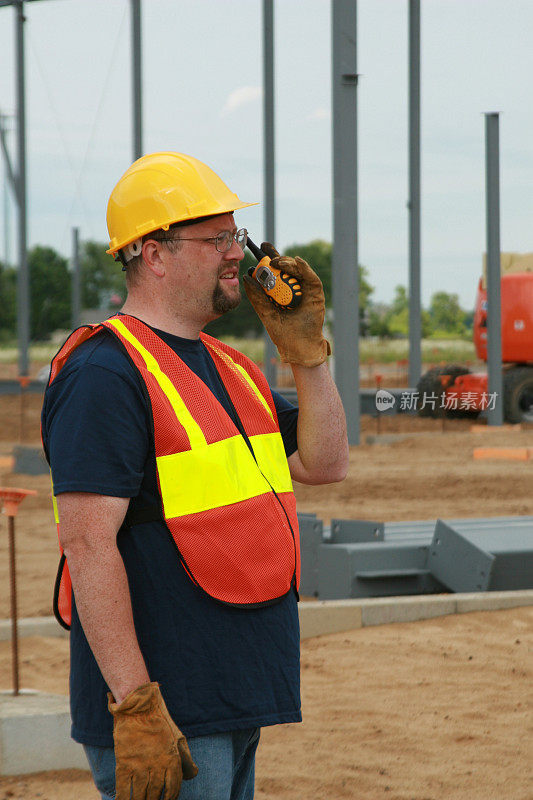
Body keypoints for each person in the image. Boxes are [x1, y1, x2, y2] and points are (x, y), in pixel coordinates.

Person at [41, 151, 348, 800]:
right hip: (169, 709)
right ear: (154, 254)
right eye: (216, 239)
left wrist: (307, 355)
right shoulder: (105, 373)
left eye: (235, 236)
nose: (237, 253)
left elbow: (324, 463)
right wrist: (136, 707)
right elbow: (88, 544)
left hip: (234, 692)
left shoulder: (230, 367)